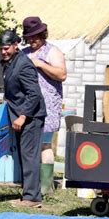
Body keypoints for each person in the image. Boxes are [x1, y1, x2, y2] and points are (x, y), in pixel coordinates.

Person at [0, 29, 46, 208]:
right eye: (1, 48)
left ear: (15, 45)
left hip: (31, 116)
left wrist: (23, 116)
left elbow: (34, 94)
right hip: (20, 114)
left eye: (6, 48)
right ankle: (28, 192)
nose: (3, 52)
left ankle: (32, 198)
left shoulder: (23, 64)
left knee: (29, 156)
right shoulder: (10, 63)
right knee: (24, 155)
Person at [21, 16, 66, 196]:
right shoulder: (23, 53)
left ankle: (46, 187)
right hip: (27, 106)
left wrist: (39, 64)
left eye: (36, 36)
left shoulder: (52, 52)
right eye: (29, 37)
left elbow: (62, 74)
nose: (32, 40)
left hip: (47, 105)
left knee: (44, 145)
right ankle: (30, 184)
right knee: (29, 146)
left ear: (42, 34)